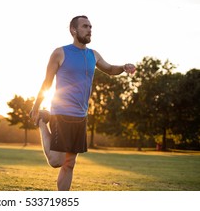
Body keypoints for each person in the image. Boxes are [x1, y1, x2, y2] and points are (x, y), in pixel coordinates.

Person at [30, 15, 136, 191]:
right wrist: (36, 107)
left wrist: (123, 67)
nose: (89, 30)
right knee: (57, 161)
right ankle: (43, 121)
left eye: (90, 27)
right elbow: (47, 82)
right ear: (74, 30)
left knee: (69, 164)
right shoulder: (60, 52)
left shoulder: (93, 54)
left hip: (81, 117)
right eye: (85, 26)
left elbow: (110, 69)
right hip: (61, 112)